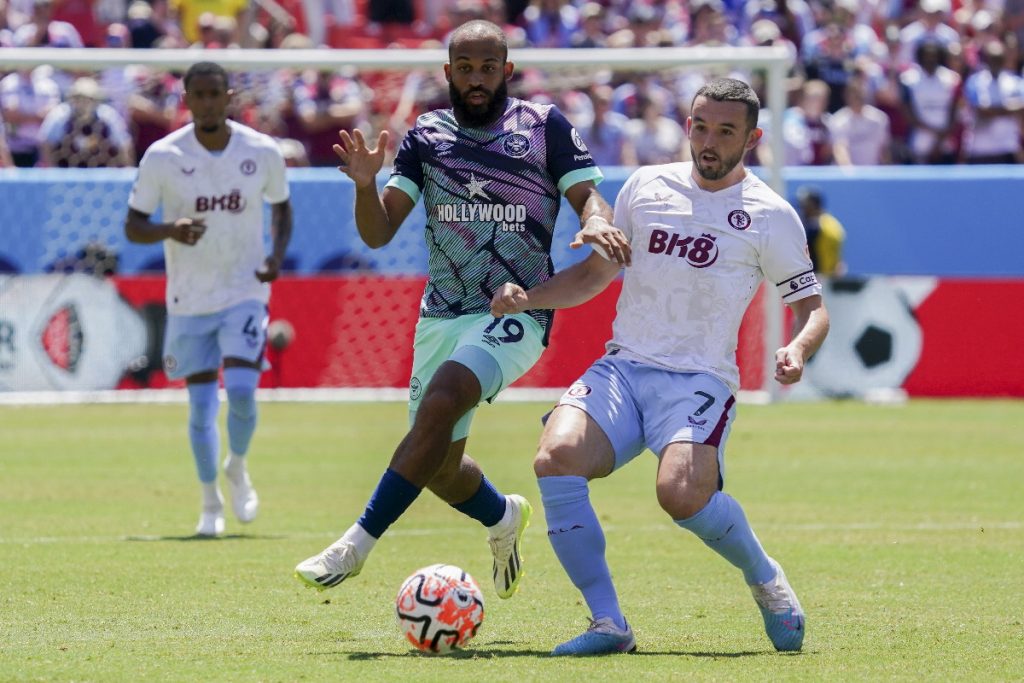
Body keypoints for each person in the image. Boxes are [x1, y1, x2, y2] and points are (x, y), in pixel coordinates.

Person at [490, 77, 829, 655]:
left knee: (679, 494)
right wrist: (531, 296)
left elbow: (812, 308)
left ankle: (765, 578)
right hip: (625, 368)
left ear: (752, 138)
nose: (708, 142)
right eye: (700, 126)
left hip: (700, 380)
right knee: (555, 456)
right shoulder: (646, 186)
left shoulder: (771, 215)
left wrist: (797, 348)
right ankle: (608, 624)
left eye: (725, 131)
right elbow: (596, 276)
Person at [294, 20, 630, 599]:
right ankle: (502, 516)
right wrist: (364, 186)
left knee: (445, 400)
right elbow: (378, 234)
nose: (477, 80)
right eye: (466, 69)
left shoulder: (542, 127)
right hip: (441, 314)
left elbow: (587, 195)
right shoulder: (426, 135)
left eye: (488, 68)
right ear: (448, 73)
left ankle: (356, 544)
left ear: (507, 70)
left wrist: (597, 217)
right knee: (440, 467)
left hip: (517, 309)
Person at [124, 61, 294, 537]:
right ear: (187, 99)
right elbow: (132, 225)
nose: (206, 102)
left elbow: (281, 207)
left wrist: (276, 257)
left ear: (229, 95)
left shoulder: (260, 151)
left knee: (240, 391)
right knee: (200, 408)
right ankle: (209, 501)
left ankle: (236, 465)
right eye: (197, 95)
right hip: (189, 297)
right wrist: (169, 229)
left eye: (214, 93)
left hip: (244, 289)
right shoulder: (162, 156)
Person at [797, 186, 846, 277]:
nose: (802, 209)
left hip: (815, 277)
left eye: (804, 205)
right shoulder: (833, 222)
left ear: (813, 205)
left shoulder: (814, 226)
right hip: (831, 276)